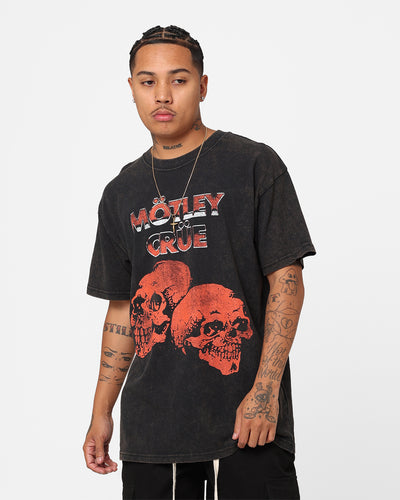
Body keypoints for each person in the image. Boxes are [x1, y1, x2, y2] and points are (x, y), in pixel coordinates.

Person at [82, 25, 316, 500]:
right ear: (131, 88)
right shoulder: (121, 192)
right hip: (151, 430)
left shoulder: (253, 165)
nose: (162, 95)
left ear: (203, 85)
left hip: (247, 422)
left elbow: (286, 280)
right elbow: (124, 309)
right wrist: (101, 412)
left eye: (179, 79)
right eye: (148, 81)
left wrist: (265, 391)